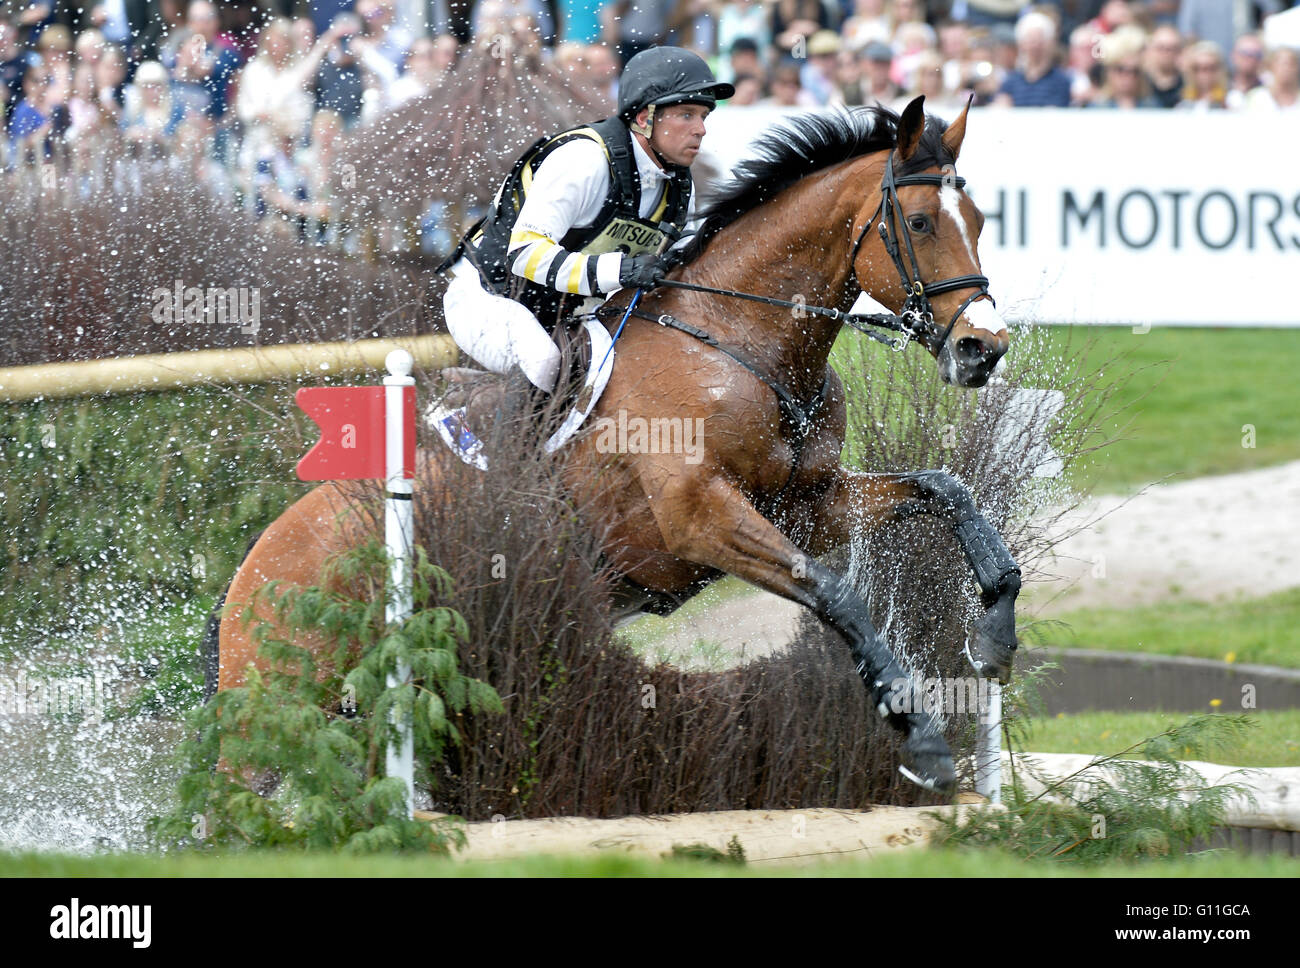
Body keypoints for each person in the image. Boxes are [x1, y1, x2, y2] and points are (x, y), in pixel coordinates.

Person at [437, 45, 732, 404]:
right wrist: (620, 270)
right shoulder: (584, 160)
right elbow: (524, 255)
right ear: (644, 118)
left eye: (704, 116)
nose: (701, 130)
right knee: (545, 363)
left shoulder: (680, 185)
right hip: (489, 297)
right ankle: (501, 449)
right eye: (686, 115)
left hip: (567, 310)